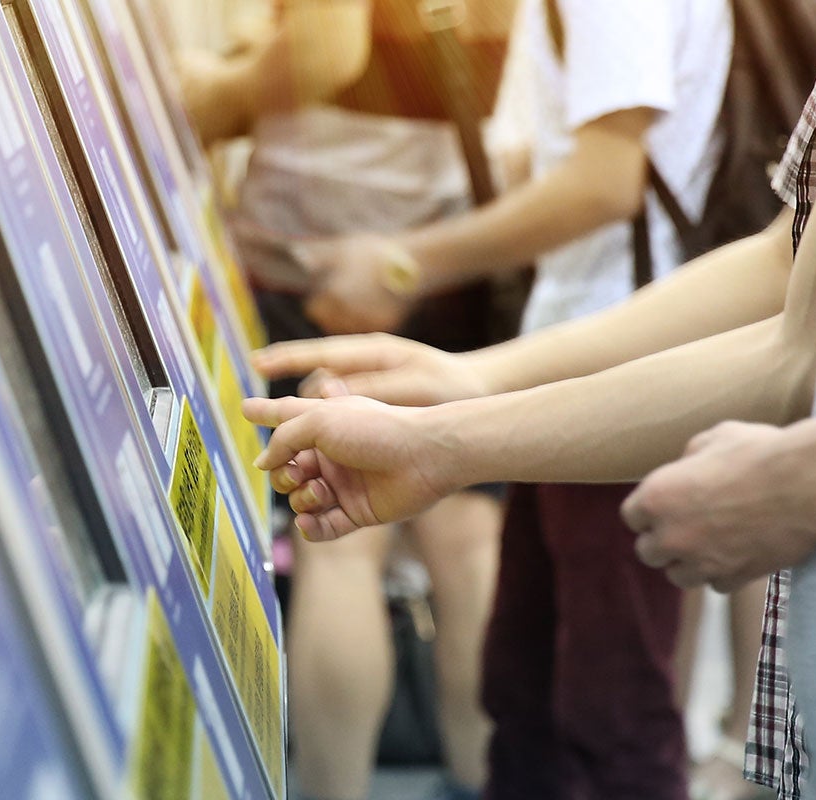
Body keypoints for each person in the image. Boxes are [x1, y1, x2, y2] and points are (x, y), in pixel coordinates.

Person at [245, 0, 816, 792]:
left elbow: (626, 197)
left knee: (610, 716)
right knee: (541, 703)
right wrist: (468, 406)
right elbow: (799, 306)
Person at [264, 0, 731, 797]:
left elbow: (602, 185)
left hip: (615, 368)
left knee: (606, 707)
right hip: (577, 354)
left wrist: (408, 264)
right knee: (528, 685)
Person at [178, 3, 516, 797]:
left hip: (326, 251)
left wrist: (218, 90)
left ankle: (336, 789)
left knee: (340, 540)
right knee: (468, 542)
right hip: (447, 236)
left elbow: (330, 47)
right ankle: (485, 776)